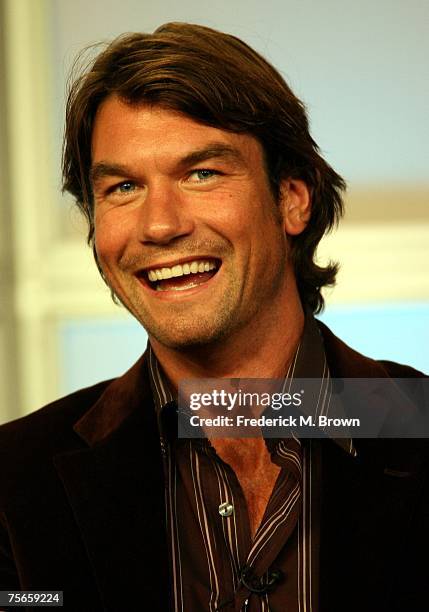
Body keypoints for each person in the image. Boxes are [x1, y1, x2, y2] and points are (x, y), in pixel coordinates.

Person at [0, 22, 427, 612]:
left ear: (292, 198)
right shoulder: (12, 481)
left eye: (202, 174)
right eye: (123, 187)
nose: (160, 224)